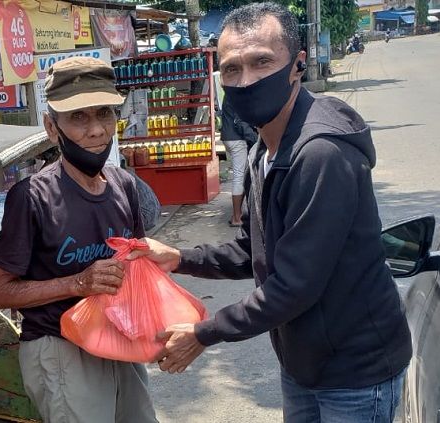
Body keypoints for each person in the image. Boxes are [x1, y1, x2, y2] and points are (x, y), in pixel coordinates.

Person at [129, 3, 411, 422]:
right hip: (302, 364)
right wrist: (179, 258)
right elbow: (256, 250)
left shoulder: (320, 155)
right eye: (231, 69)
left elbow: (295, 285)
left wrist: (204, 333)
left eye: (262, 62)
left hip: (355, 373)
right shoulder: (266, 148)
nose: (247, 80)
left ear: (297, 65)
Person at [0, 57, 158, 423]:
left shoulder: (124, 186)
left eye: (104, 114)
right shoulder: (32, 197)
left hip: (118, 340)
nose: (96, 130)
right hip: (61, 348)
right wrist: (79, 283)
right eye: (78, 117)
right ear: (51, 127)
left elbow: (139, 268)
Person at [220, 97, 257, 226]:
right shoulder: (238, 93)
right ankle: (237, 217)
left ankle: (236, 215)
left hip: (228, 136)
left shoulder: (229, 92)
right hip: (236, 139)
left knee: (239, 175)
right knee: (239, 177)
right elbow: (239, 121)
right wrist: (255, 139)